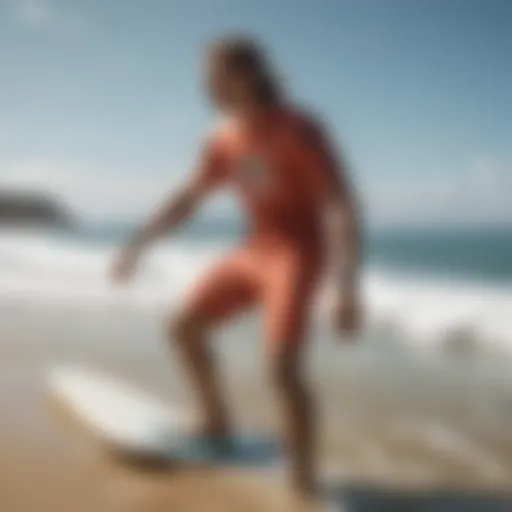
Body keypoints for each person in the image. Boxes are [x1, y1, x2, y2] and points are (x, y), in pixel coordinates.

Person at [111, 34, 362, 499]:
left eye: (215, 72)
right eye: (206, 75)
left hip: (299, 251)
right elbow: (187, 197)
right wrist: (137, 246)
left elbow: (341, 204)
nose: (206, 82)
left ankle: (304, 482)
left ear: (247, 72)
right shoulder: (223, 138)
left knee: (281, 367)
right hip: (256, 249)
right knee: (184, 328)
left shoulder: (299, 128)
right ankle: (216, 420)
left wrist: (346, 286)